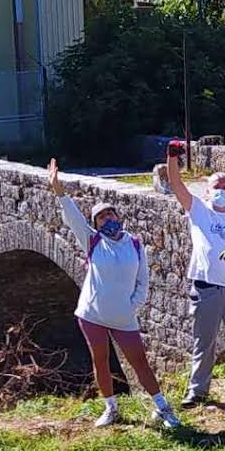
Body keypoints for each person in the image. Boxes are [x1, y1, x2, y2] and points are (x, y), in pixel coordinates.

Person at [47, 159, 180, 429]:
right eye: (101, 217)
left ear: (118, 217)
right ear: (96, 223)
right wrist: (58, 190)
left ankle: (163, 407)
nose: (107, 219)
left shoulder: (134, 243)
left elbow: (143, 279)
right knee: (101, 360)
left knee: (140, 362)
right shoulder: (93, 241)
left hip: (123, 316)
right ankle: (110, 407)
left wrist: (133, 305)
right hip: (92, 314)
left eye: (110, 214)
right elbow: (73, 218)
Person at [163, 148, 225, 410]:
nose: (221, 191)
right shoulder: (198, 210)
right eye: (217, 187)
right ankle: (197, 390)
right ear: (208, 191)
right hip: (206, 287)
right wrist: (172, 158)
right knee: (203, 342)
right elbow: (175, 183)